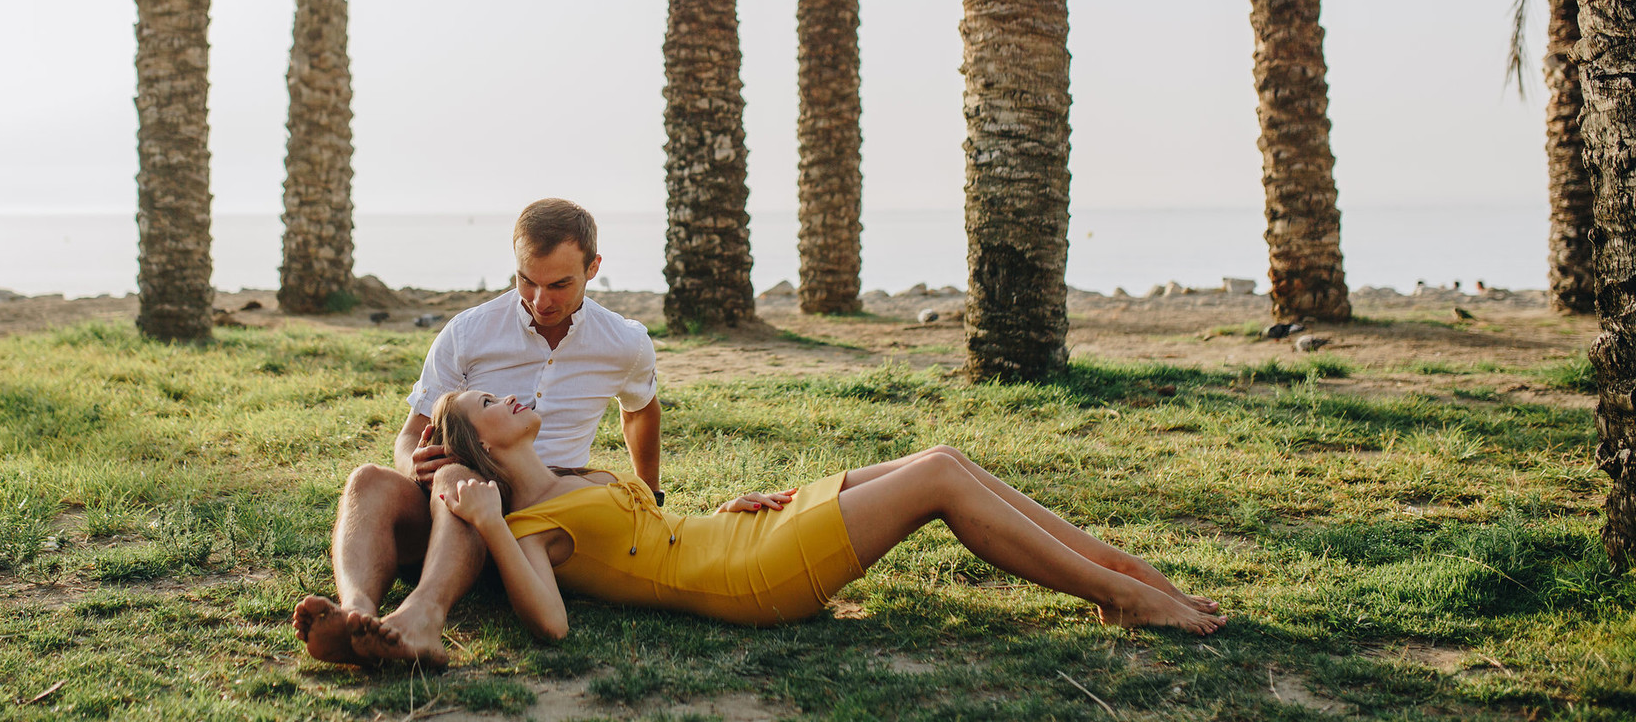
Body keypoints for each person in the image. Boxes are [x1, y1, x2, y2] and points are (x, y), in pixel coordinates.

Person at [359, 388, 1229, 649]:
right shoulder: (536, 521)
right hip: (751, 578)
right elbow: (548, 623)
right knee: (936, 479)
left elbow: (646, 535)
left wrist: (718, 508)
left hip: (734, 532)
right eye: (489, 399)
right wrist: (493, 525)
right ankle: (1114, 598)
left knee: (949, 459)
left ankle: (1122, 574)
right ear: (479, 441)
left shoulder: (575, 471)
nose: (513, 393)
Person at [292, 200, 661, 668]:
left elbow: (641, 411)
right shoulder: (468, 332)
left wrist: (650, 496)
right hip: (452, 520)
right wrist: (411, 463)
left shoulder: (624, 343)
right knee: (368, 478)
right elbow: (410, 436)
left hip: (543, 523)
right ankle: (356, 615)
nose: (539, 299)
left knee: (458, 479)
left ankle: (424, 616)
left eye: (559, 284)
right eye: (526, 280)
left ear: (593, 268)